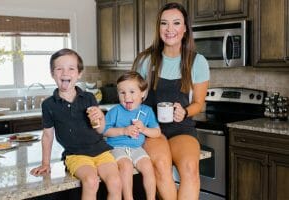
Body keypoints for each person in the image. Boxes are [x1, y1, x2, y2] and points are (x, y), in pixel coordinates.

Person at [132, 2, 210, 200]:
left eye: (176, 23)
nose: (170, 29)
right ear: (159, 28)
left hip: (181, 128)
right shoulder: (146, 60)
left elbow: (199, 103)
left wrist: (184, 111)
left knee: (190, 169)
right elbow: (133, 96)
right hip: (151, 129)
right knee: (161, 167)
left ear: (185, 29)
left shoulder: (197, 62)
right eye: (164, 23)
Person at [30, 48, 122, 200]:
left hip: (102, 152)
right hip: (76, 155)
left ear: (79, 74)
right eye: (59, 69)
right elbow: (47, 135)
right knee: (91, 181)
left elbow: (100, 129)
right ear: (52, 74)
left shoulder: (89, 98)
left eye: (71, 69)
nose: (65, 73)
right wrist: (45, 163)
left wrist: (101, 117)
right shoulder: (48, 105)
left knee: (115, 181)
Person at [103, 71, 161, 200]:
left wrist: (144, 129)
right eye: (122, 92)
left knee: (148, 166)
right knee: (126, 166)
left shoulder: (146, 111)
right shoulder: (115, 111)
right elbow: (104, 131)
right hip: (116, 148)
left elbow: (157, 132)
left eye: (132, 92)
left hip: (136, 149)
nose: (126, 97)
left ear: (143, 93)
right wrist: (123, 131)